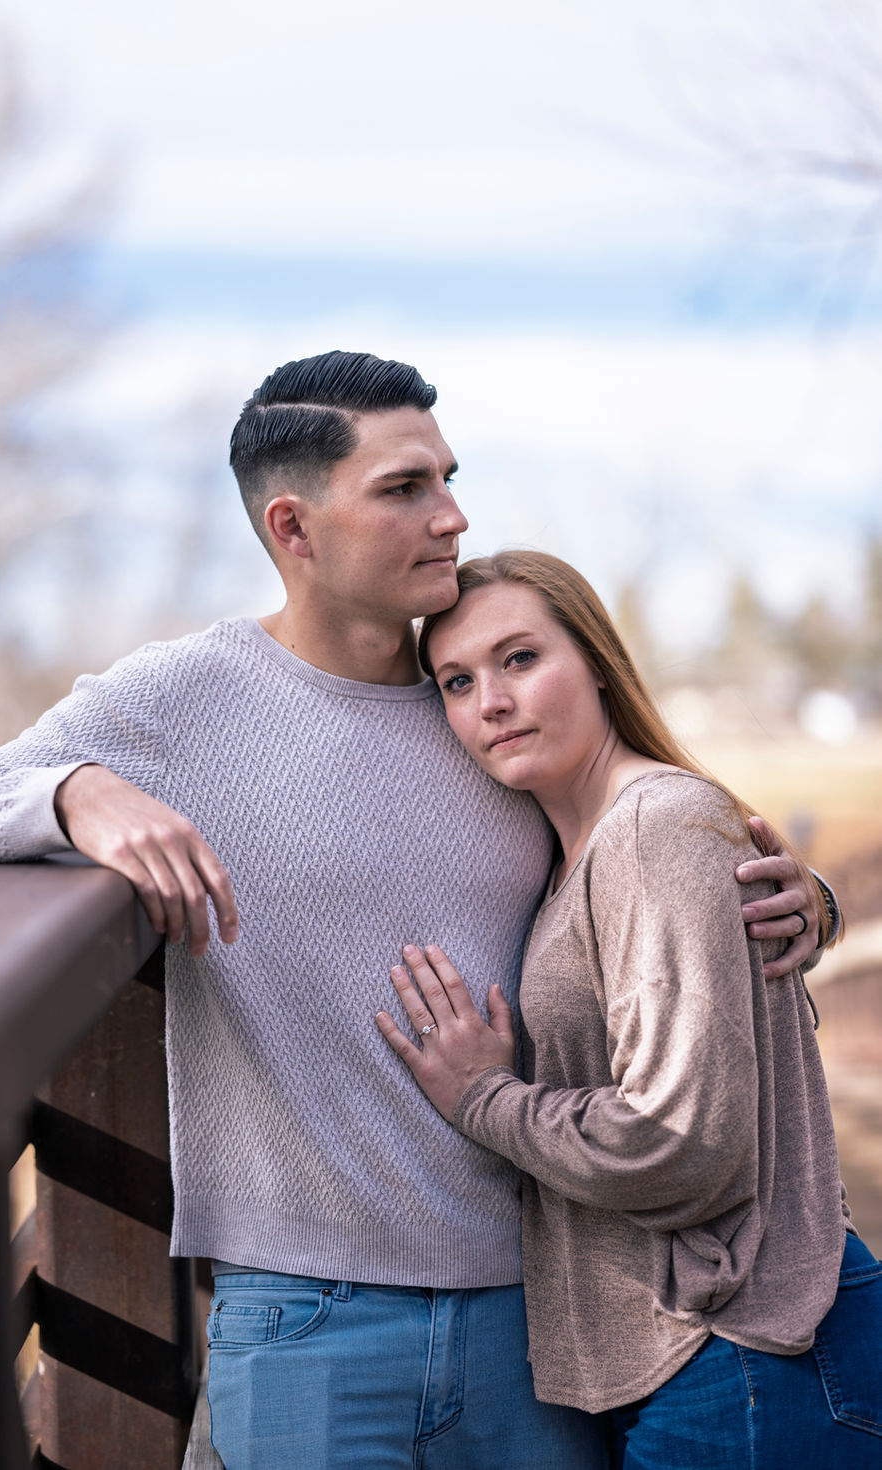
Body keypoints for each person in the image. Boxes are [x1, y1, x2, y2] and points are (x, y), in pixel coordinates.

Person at [0, 353, 832, 1470]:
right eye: (405, 489)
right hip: (306, 1320)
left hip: (544, 1316)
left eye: (446, 477)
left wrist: (789, 904)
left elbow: (633, 860)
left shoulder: (487, 706)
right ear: (294, 529)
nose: (452, 514)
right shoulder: (177, 702)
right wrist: (66, 791)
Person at [376, 549, 880, 1469]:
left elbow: (677, 1142)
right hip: (691, 1362)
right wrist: (821, 904)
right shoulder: (573, 851)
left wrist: (484, 1098)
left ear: (598, 661)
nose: (489, 699)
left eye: (520, 658)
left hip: (749, 1357)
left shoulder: (653, 829)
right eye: (456, 680)